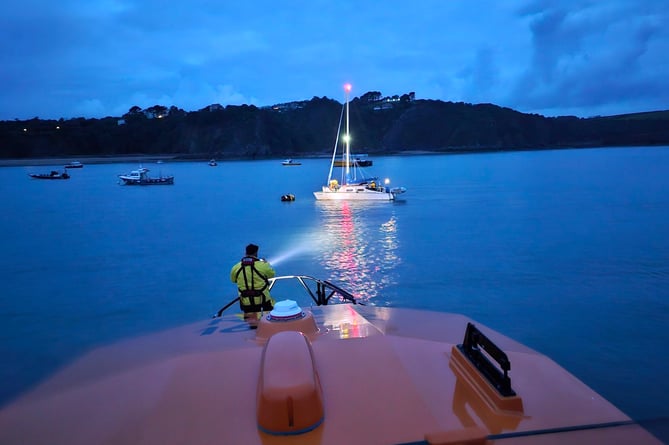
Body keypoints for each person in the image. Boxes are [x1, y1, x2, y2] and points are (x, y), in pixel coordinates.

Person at [230, 244, 276, 320]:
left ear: (245, 253)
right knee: (268, 318)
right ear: (256, 253)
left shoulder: (236, 267)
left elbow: (233, 280)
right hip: (263, 299)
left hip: (245, 301)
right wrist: (266, 263)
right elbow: (271, 274)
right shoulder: (262, 265)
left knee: (250, 321)